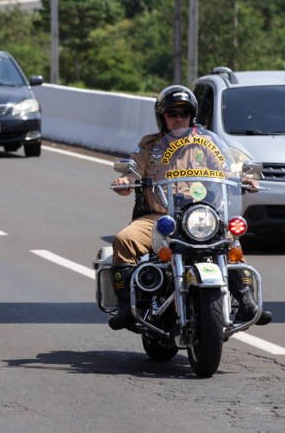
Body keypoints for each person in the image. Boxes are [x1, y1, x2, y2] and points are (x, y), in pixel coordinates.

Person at [109, 85, 272, 329]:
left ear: (191, 116)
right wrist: (125, 181)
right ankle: (126, 306)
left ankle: (246, 300)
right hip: (161, 217)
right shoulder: (151, 147)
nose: (178, 118)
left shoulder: (207, 144)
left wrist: (243, 179)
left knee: (231, 241)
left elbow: (228, 168)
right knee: (124, 239)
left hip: (202, 216)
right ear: (162, 117)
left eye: (183, 113)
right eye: (172, 113)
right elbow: (133, 171)